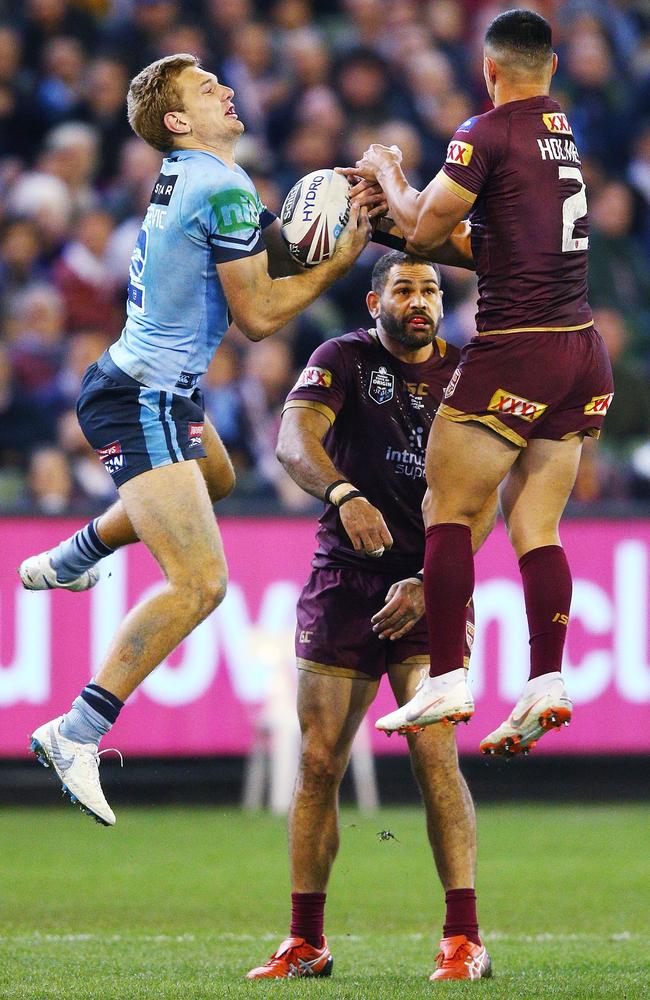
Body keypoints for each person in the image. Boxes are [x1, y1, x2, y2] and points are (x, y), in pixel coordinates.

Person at [20, 52, 370, 827]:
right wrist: (342, 256)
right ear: (178, 121)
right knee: (201, 583)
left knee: (212, 479)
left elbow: (256, 253)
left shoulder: (194, 177)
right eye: (207, 89)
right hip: (142, 396)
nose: (227, 90)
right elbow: (259, 317)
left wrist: (332, 206)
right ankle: (75, 731)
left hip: (153, 389)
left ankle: (74, 557)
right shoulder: (219, 182)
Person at [341, 9, 614, 755]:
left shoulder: (484, 133)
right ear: (550, 67)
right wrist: (397, 221)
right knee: (536, 527)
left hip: (515, 347)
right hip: (580, 352)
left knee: (448, 509)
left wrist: (389, 173)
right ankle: (547, 680)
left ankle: (449, 675)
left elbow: (429, 232)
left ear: (488, 70)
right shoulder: (561, 130)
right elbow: (484, 247)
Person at [246, 251, 495, 982]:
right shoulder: (341, 359)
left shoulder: (470, 373)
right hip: (346, 581)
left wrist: (432, 578)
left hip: (429, 584)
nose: (420, 301)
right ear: (374, 301)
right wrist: (344, 495)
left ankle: (463, 940)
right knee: (320, 759)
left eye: (431, 290)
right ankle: (305, 941)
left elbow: (481, 497)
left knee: (434, 754)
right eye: (404, 289)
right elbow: (295, 440)